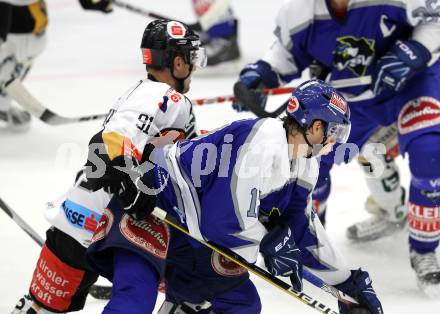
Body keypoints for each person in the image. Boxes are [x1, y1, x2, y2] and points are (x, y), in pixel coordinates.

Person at [85, 79, 383, 314]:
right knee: (135, 299)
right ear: (316, 126)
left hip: (194, 239)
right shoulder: (264, 138)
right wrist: (268, 241)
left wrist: (346, 283)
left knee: (243, 306)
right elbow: (222, 220)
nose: (336, 143)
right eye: (335, 132)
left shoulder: (306, 163)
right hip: (153, 208)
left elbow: (302, 228)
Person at [231, 0, 440, 292]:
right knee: (308, 161)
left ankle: (424, 250)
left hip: (412, 86)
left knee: (430, 155)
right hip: (350, 102)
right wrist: (259, 75)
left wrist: (413, 50)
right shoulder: (300, 13)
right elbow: (284, 55)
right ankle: (308, 245)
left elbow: (435, 18)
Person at [11, 18, 205, 314]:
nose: (194, 66)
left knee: (39, 307)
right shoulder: (170, 98)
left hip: (74, 217)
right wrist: (133, 182)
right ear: (177, 63)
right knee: (198, 289)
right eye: (191, 58)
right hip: (115, 228)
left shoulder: (141, 92)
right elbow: (109, 140)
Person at [0, 0, 113, 132]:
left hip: (29, 25)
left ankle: (2, 103)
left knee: (26, 53)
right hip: (15, 31)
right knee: (14, 56)